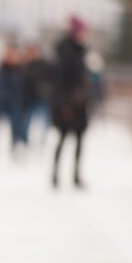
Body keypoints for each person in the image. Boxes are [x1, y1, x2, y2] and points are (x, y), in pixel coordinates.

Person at [51, 16, 93, 189]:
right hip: (68, 106)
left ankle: (75, 176)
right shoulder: (67, 53)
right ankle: (55, 176)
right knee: (62, 139)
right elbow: (61, 82)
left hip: (79, 104)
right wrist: (65, 105)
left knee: (78, 142)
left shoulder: (80, 51)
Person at [0, 41, 27, 156]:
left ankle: (16, 146)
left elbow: (23, 87)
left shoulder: (20, 69)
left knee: (17, 126)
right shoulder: (2, 69)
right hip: (2, 103)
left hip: (16, 104)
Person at [21, 43, 54, 146]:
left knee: (46, 120)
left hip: (42, 97)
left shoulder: (44, 65)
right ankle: (25, 140)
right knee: (26, 120)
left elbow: (51, 79)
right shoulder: (24, 66)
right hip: (29, 98)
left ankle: (44, 140)